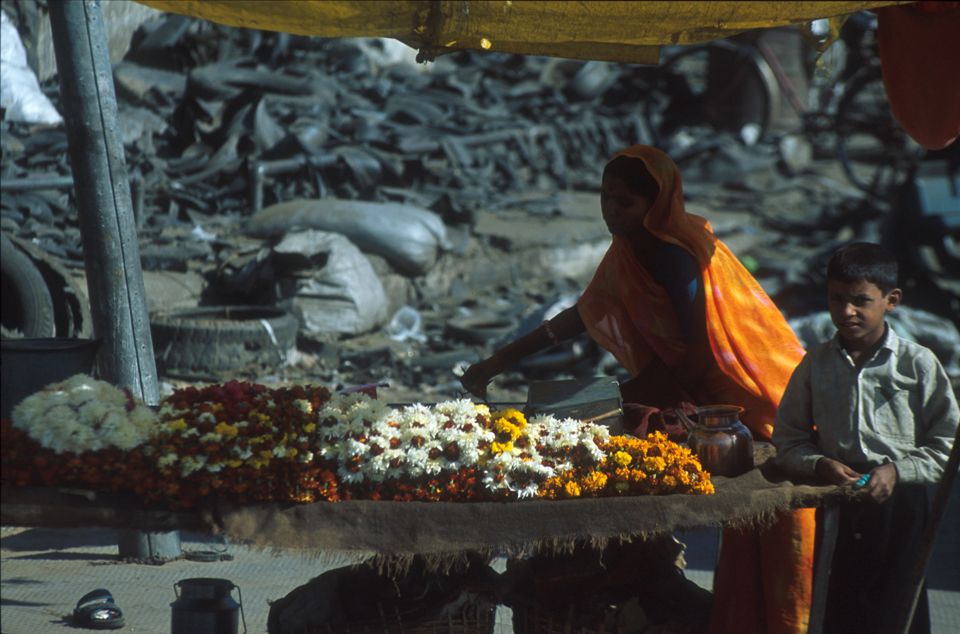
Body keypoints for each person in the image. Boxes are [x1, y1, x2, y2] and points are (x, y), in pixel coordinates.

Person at [460, 144, 817, 634]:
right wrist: (498, 361)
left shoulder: (675, 256)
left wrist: (653, 403)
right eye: (605, 198)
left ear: (657, 203)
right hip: (686, 380)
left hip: (746, 390)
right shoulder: (627, 250)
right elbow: (582, 316)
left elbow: (696, 348)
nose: (611, 211)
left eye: (624, 202)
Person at [772, 242, 959, 634]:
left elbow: (948, 446)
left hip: (902, 507)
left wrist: (898, 469)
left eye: (860, 300)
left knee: (898, 611)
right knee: (840, 608)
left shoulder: (917, 364)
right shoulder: (815, 364)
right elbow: (788, 439)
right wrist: (818, 463)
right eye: (836, 299)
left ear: (891, 300)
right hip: (838, 502)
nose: (846, 312)